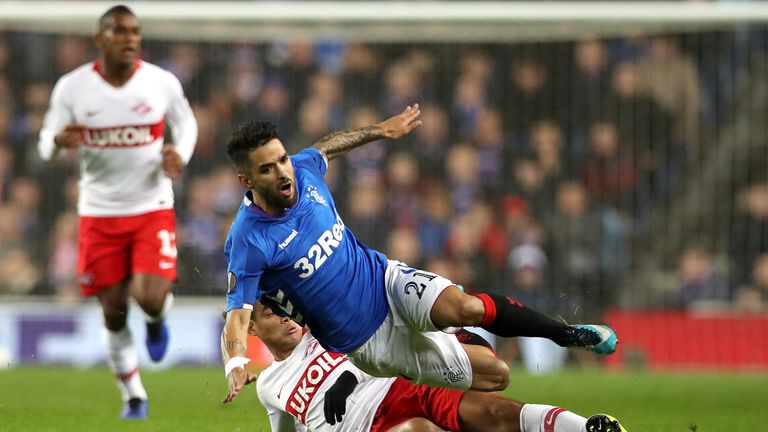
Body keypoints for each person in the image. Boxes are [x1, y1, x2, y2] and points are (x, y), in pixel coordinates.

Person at [221, 105, 617, 404]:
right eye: (268, 169)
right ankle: (420, 364)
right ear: (247, 179)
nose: (283, 172)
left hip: (385, 279)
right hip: (369, 341)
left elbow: (325, 146)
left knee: (465, 306)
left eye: (283, 159)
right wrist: (236, 363)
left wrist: (380, 130)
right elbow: (238, 316)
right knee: (497, 375)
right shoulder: (249, 239)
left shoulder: (304, 171)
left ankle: (568, 334)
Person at [37, 5, 198, 419]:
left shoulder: (159, 82)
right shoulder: (72, 88)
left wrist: (179, 153)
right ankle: (134, 397)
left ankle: (158, 319)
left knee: (149, 297)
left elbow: (187, 123)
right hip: (98, 212)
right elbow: (44, 145)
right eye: (121, 31)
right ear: (101, 39)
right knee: (112, 311)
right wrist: (58, 140)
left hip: (151, 206)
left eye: (136, 32)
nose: (130, 39)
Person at [249, 302, 629, 432]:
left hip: (403, 385)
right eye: (271, 314)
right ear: (252, 327)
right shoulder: (269, 384)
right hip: (368, 427)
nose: (286, 318)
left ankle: (587, 428)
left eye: (286, 309)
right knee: (418, 430)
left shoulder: (326, 326)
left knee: (496, 412)